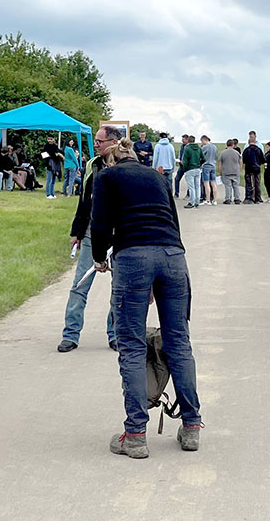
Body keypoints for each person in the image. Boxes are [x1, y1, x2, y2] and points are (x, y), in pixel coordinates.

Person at [90, 137, 201, 458]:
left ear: (112, 159)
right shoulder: (157, 176)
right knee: (178, 341)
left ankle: (135, 434)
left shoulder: (107, 176)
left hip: (133, 257)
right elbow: (174, 224)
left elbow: (100, 224)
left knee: (132, 345)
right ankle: (192, 426)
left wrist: (99, 258)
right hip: (173, 255)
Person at [58, 126, 119, 352]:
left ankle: (115, 335)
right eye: (95, 141)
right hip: (92, 232)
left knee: (119, 288)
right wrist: (77, 231)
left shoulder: (125, 166)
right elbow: (84, 200)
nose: (96, 145)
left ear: (113, 142)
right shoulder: (92, 165)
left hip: (118, 235)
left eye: (99, 141)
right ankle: (70, 335)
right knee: (79, 286)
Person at [179, 134, 204, 208]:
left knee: (191, 187)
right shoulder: (199, 148)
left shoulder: (187, 148)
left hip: (190, 169)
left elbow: (185, 160)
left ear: (188, 141)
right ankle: (197, 202)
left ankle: (191, 202)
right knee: (197, 186)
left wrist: (184, 168)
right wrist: (199, 164)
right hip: (197, 168)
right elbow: (204, 159)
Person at [242, 132, 265, 203]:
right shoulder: (259, 149)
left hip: (248, 168)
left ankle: (249, 197)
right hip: (257, 168)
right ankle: (257, 198)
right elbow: (262, 159)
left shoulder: (246, 150)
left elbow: (244, 160)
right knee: (257, 183)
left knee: (248, 183)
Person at [218, 139, 242, 204]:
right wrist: (240, 170)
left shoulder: (223, 153)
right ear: (233, 145)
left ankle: (228, 198)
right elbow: (240, 162)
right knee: (236, 186)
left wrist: (220, 172)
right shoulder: (237, 153)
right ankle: (237, 198)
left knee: (228, 186)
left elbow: (220, 163)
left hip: (226, 171)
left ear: (227, 144)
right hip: (235, 171)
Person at [200, 135, 218, 205]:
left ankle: (208, 200)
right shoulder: (214, 147)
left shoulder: (205, 147)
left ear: (204, 140)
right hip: (213, 165)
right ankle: (215, 200)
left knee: (206, 183)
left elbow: (201, 156)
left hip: (206, 165)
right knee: (213, 183)